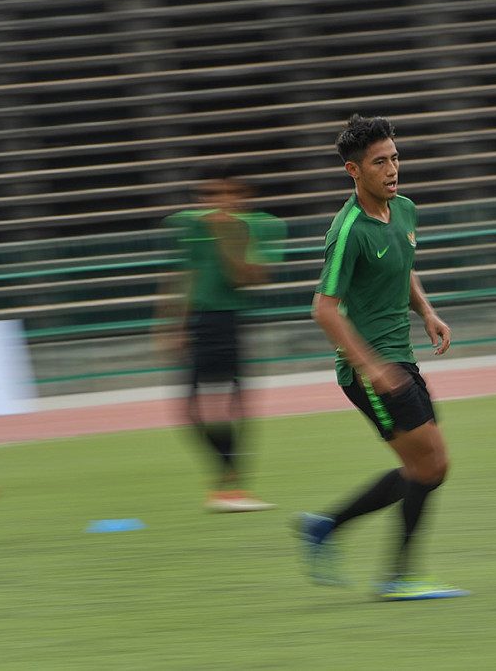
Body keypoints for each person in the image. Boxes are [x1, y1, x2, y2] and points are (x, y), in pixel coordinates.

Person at [294, 114, 470, 600]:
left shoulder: (405, 209)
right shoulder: (348, 229)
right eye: (380, 162)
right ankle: (398, 576)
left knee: (428, 467)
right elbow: (323, 309)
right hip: (370, 369)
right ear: (354, 171)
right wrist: (370, 366)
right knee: (431, 466)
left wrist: (427, 313)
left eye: (395, 158)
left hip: (400, 359)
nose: (392, 169)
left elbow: (403, 267)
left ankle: (326, 527)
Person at [155, 163, 286, 512]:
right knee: (189, 409)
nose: (220, 202)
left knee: (235, 404)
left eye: (229, 193)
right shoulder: (189, 225)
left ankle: (232, 485)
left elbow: (248, 278)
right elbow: (183, 274)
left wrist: (227, 236)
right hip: (198, 321)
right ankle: (227, 480)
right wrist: (170, 325)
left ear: (244, 196)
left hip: (232, 319)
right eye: (212, 195)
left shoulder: (264, 227)